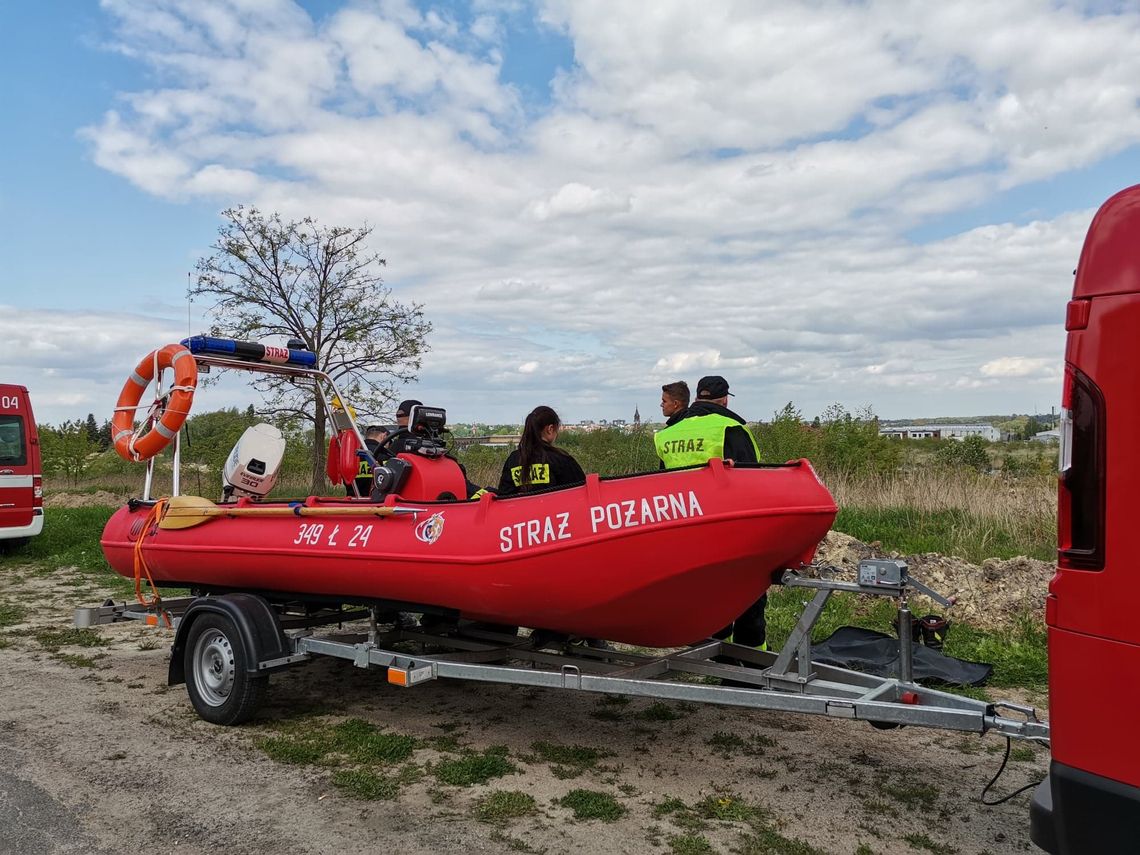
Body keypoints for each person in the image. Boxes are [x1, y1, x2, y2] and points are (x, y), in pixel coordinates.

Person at [653, 375, 767, 650]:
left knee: (705, 592)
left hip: (685, 529)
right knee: (747, 593)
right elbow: (753, 479)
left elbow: (659, 482)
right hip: (728, 528)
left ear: (695, 399)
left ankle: (709, 647)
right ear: (725, 399)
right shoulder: (731, 427)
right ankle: (749, 660)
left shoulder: (668, 434)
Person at [497, 406, 585, 496]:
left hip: (522, 510)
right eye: (557, 430)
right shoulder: (561, 459)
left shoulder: (513, 460)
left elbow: (503, 497)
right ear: (550, 429)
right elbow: (582, 492)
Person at [349, 424, 389, 496]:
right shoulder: (385, 455)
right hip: (377, 503)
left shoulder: (350, 454)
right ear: (384, 436)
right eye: (388, 442)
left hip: (352, 502)